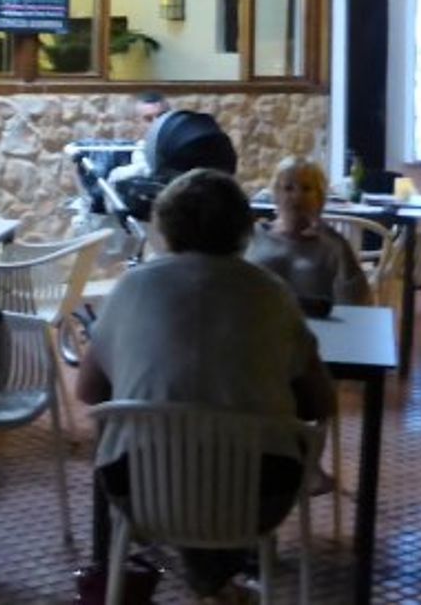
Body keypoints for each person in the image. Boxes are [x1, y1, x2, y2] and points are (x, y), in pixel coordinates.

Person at [76, 168, 335, 600]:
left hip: (143, 492)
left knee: (175, 458)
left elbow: (88, 392)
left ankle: (209, 579)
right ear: (242, 228)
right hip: (255, 499)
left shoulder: (132, 287)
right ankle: (216, 579)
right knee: (234, 462)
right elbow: (320, 402)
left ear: (166, 225)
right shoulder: (272, 293)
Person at [246, 156, 373, 307]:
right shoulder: (256, 235)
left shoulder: (333, 245)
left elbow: (358, 304)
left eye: (306, 189)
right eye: (288, 188)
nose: (297, 196)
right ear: (276, 194)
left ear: (319, 197)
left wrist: (341, 248)